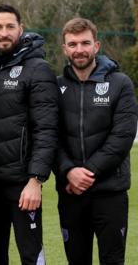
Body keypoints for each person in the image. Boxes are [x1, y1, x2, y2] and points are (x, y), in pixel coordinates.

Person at [0, 4, 58, 265]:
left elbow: (46, 129)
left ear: (20, 29)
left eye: (10, 26)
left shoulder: (38, 69)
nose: (4, 32)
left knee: (31, 255)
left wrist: (36, 180)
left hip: (22, 184)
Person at [53, 18, 138, 265]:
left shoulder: (120, 83)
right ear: (64, 48)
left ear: (97, 45)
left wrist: (87, 172)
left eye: (85, 43)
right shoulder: (55, 87)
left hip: (110, 192)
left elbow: (122, 136)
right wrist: (68, 171)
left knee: (112, 260)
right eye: (73, 44)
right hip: (70, 193)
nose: (79, 49)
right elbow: (49, 136)